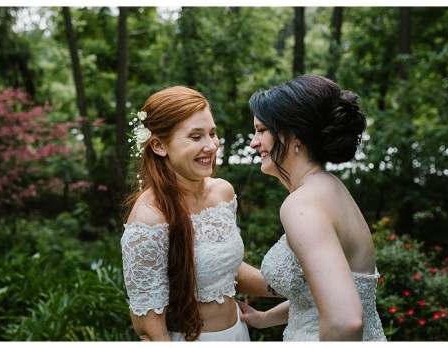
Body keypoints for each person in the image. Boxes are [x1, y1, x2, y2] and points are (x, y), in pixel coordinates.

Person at [237, 75, 386, 341]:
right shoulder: (331, 188)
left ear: (295, 135)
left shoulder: (302, 204)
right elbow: (322, 297)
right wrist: (264, 318)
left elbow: (345, 320)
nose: (254, 142)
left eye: (262, 130)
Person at [120, 86, 271, 341]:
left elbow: (227, 270)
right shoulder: (149, 217)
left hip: (238, 334)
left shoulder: (223, 192)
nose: (211, 146)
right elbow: (148, 326)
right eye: (195, 136)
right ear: (159, 145)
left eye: (212, 133)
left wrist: (299, 286)